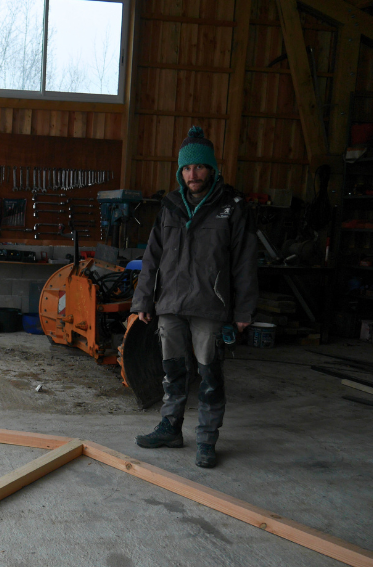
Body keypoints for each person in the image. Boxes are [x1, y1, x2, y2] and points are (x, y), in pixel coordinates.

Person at [130, 126, 258, 468]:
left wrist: (244, 308)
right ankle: (171, 428)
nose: (192, 174)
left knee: (210, 374)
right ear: (180, 172)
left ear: (211, 168)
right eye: (186, 168)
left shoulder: (231, 207)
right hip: (170, 303)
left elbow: (245, 261)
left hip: (209, 305)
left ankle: (206, 440)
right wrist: (143, 300)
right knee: (172, 371)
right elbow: (151, 258)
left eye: (198, 167)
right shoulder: (170, 206)